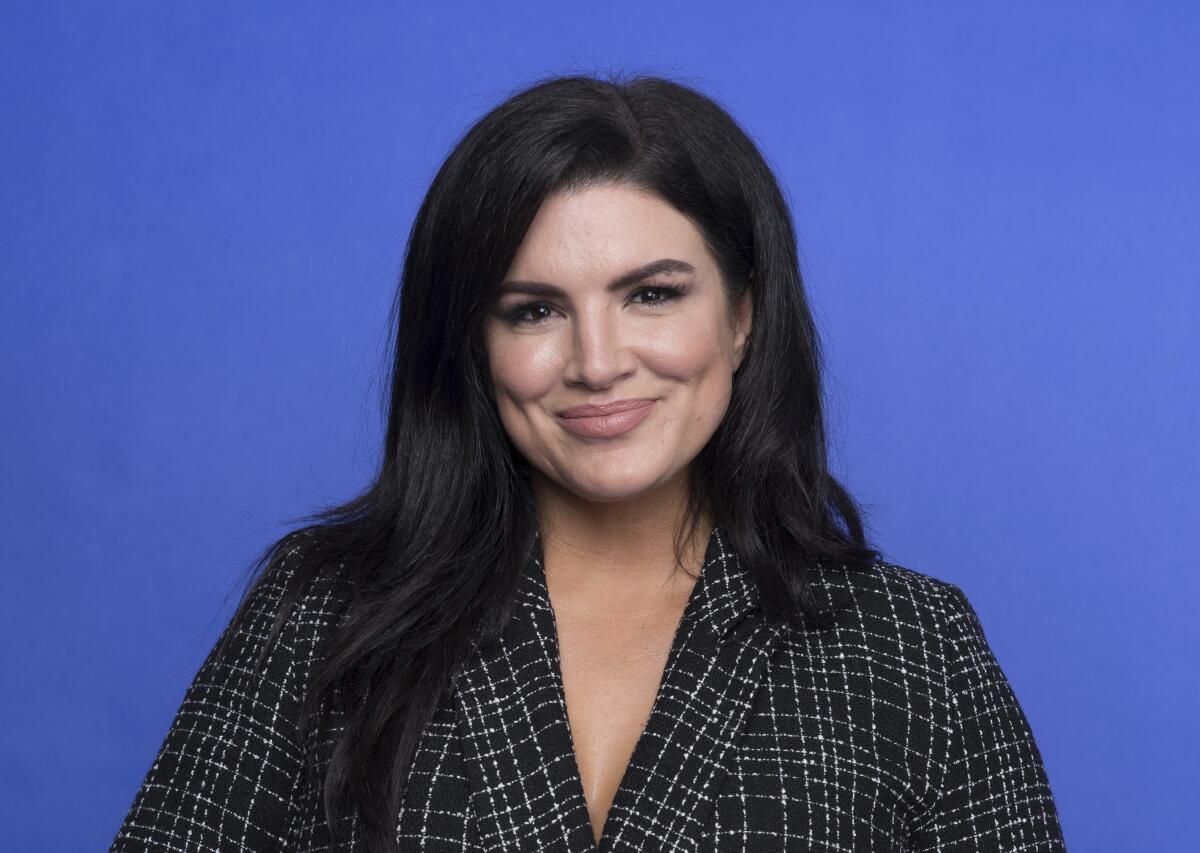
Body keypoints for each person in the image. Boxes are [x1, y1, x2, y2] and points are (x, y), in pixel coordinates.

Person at [110, 73, 1067, 852]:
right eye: (533, 309)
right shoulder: (322, 613)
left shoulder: (915, 648)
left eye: (651, 294)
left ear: (741, 317)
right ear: (472, 345)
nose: (598, 361)